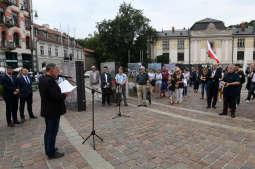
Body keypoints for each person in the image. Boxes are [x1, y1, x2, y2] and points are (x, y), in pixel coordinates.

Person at [39, 63, 71, 159]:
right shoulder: (49, 81)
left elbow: (51, 94)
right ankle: (51, 153)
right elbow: (56, 97)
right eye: (57, 71)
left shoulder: (43, 79)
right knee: (52, 132)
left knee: (48, 131)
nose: (58, 73)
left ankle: (49, 149)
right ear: (52, 70)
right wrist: (66, 94)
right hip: (52, 111)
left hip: (48, 110)